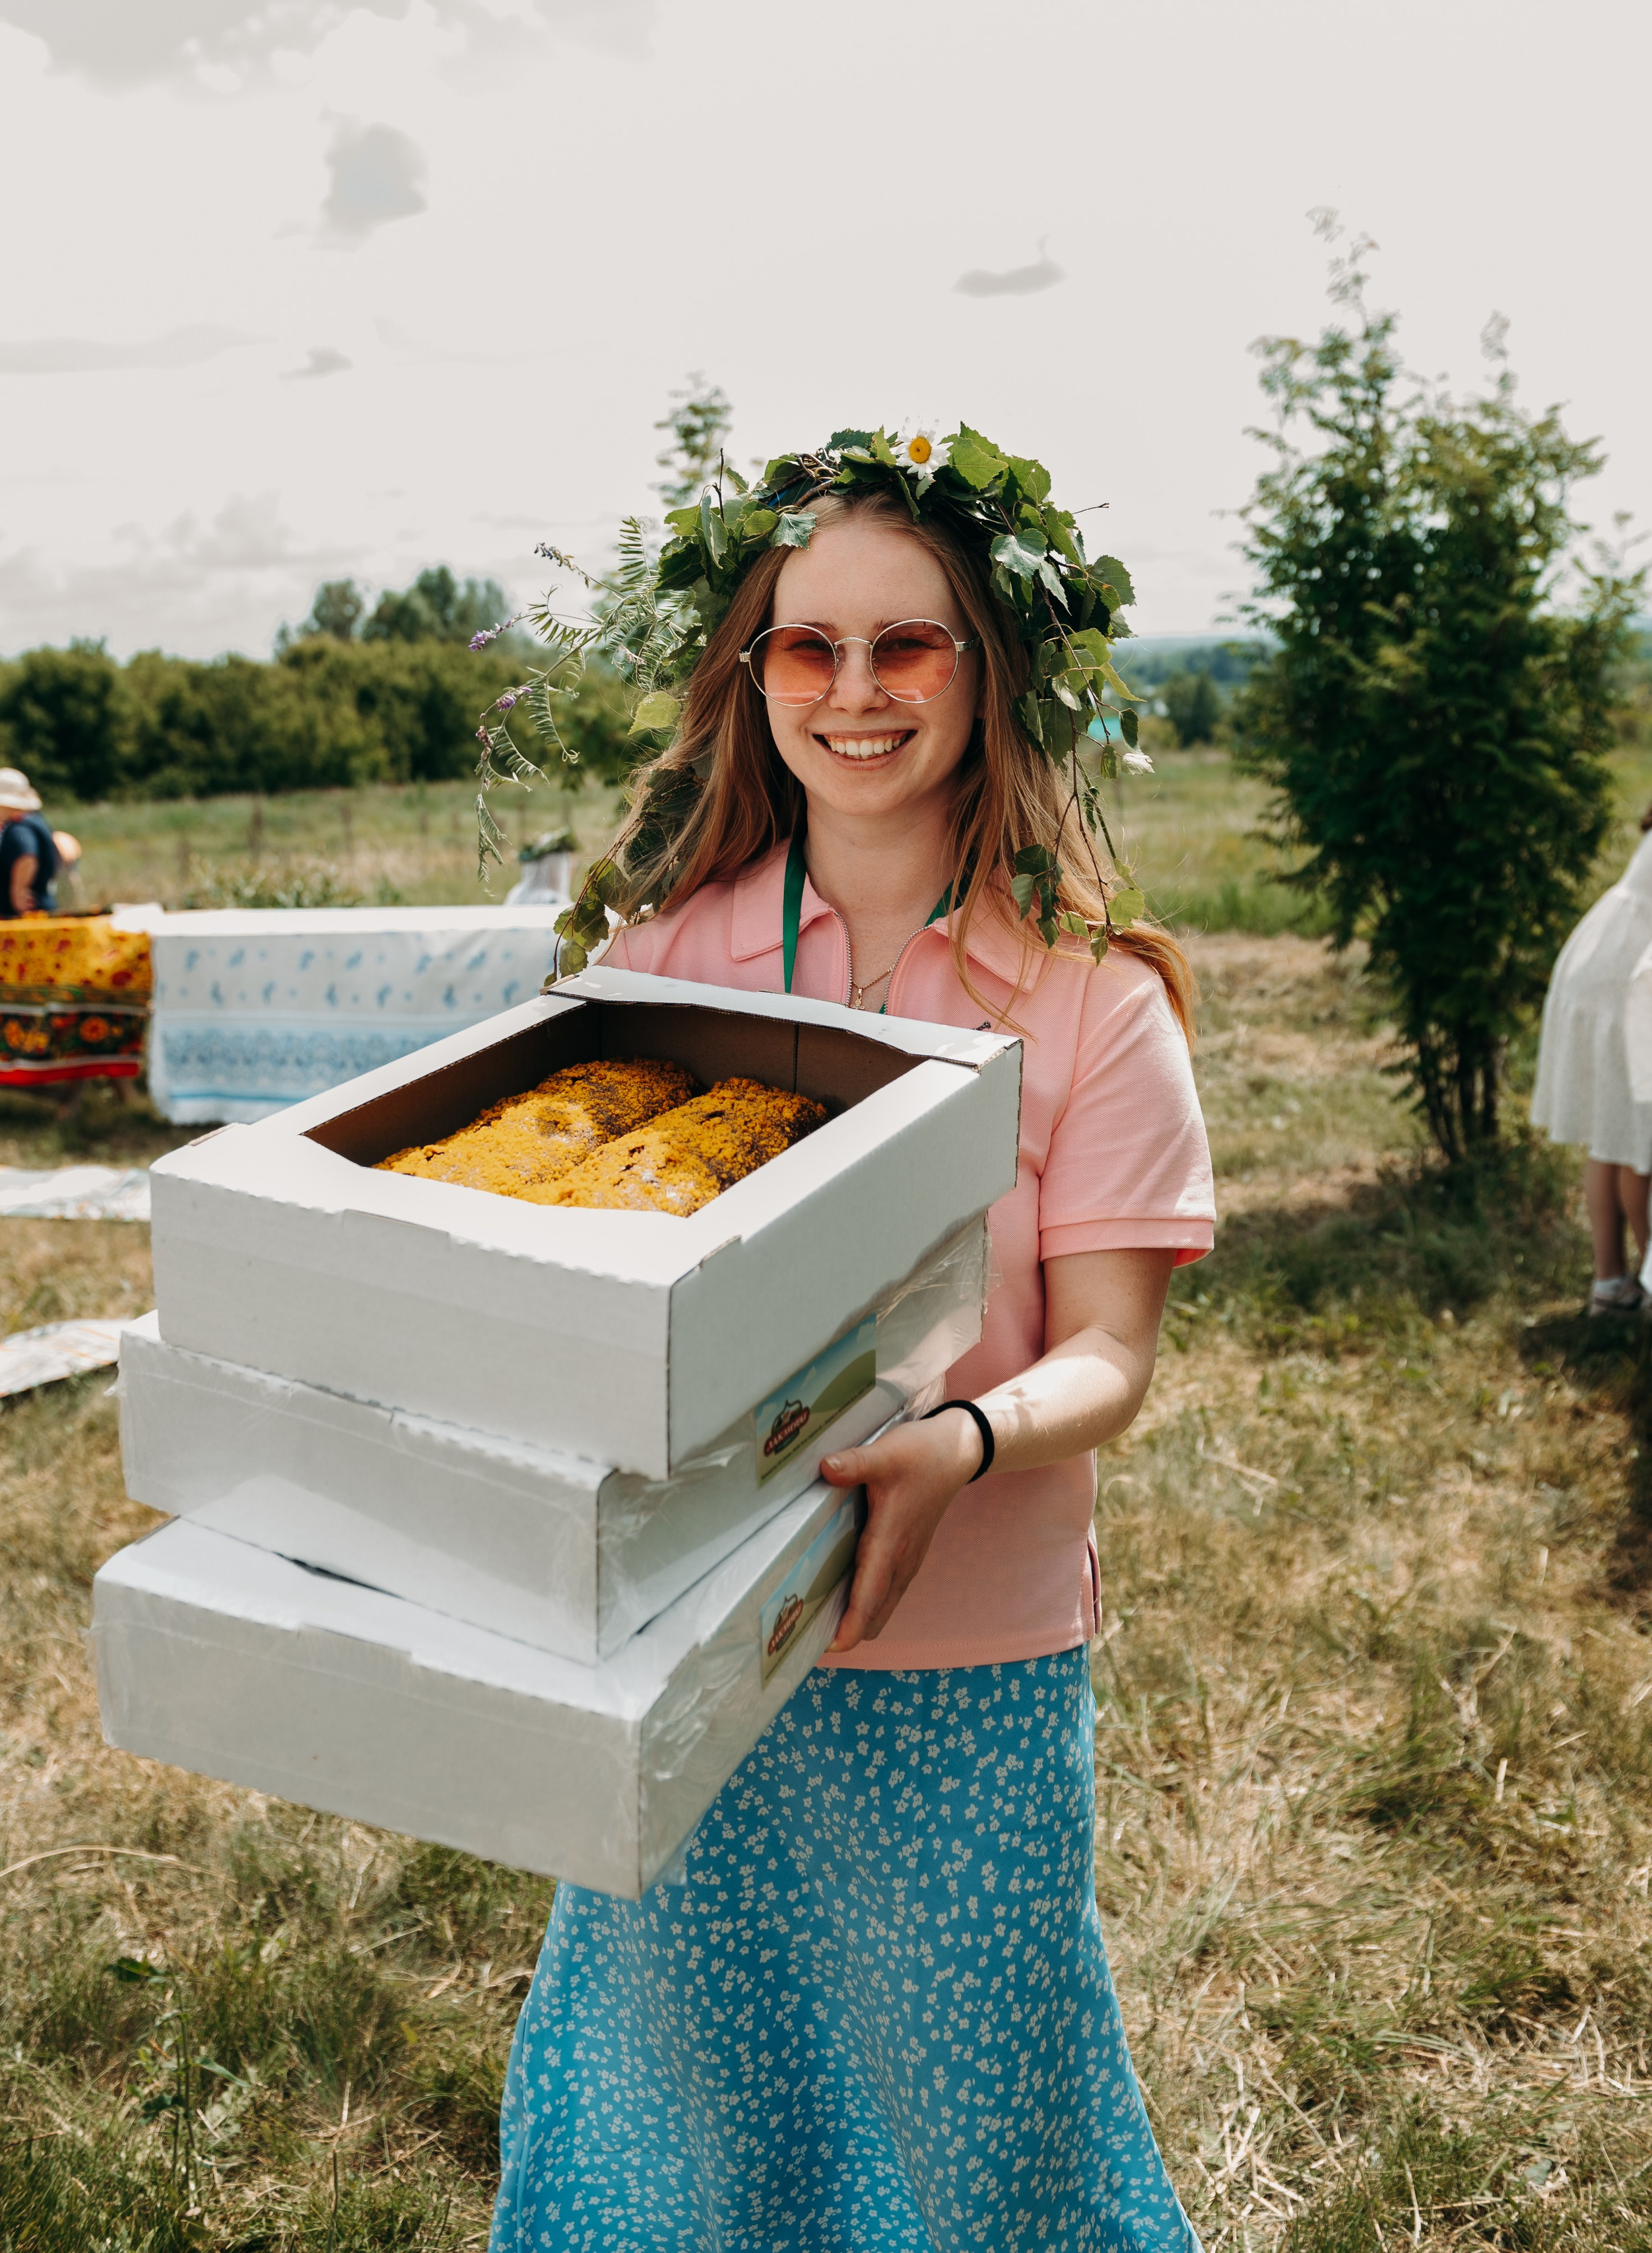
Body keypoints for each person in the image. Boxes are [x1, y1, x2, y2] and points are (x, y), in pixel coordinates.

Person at [488, 429, 1214, 2253]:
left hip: (961, 1654)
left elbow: (1109, 1355)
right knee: (679, 2114)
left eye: (911, 645)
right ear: (753, 677)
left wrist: (957, 1443)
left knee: (981, 2115)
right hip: (681, 1641)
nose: (857, 691)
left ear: (990, 669)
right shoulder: (661, 966)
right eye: (809, 648)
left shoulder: (1094, 1004)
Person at [1531, 805, 1652, 1314]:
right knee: (1638, 1146)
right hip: (1627, 983)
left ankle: (1612, 1282)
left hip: (1606, 963)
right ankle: (1648, 1283)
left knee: (1614, 1134)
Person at [0, 767, 61, 916]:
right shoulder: (33, 820)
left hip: (18, 916)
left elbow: (26, 855)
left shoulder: (19, 827)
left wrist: (19, 891)